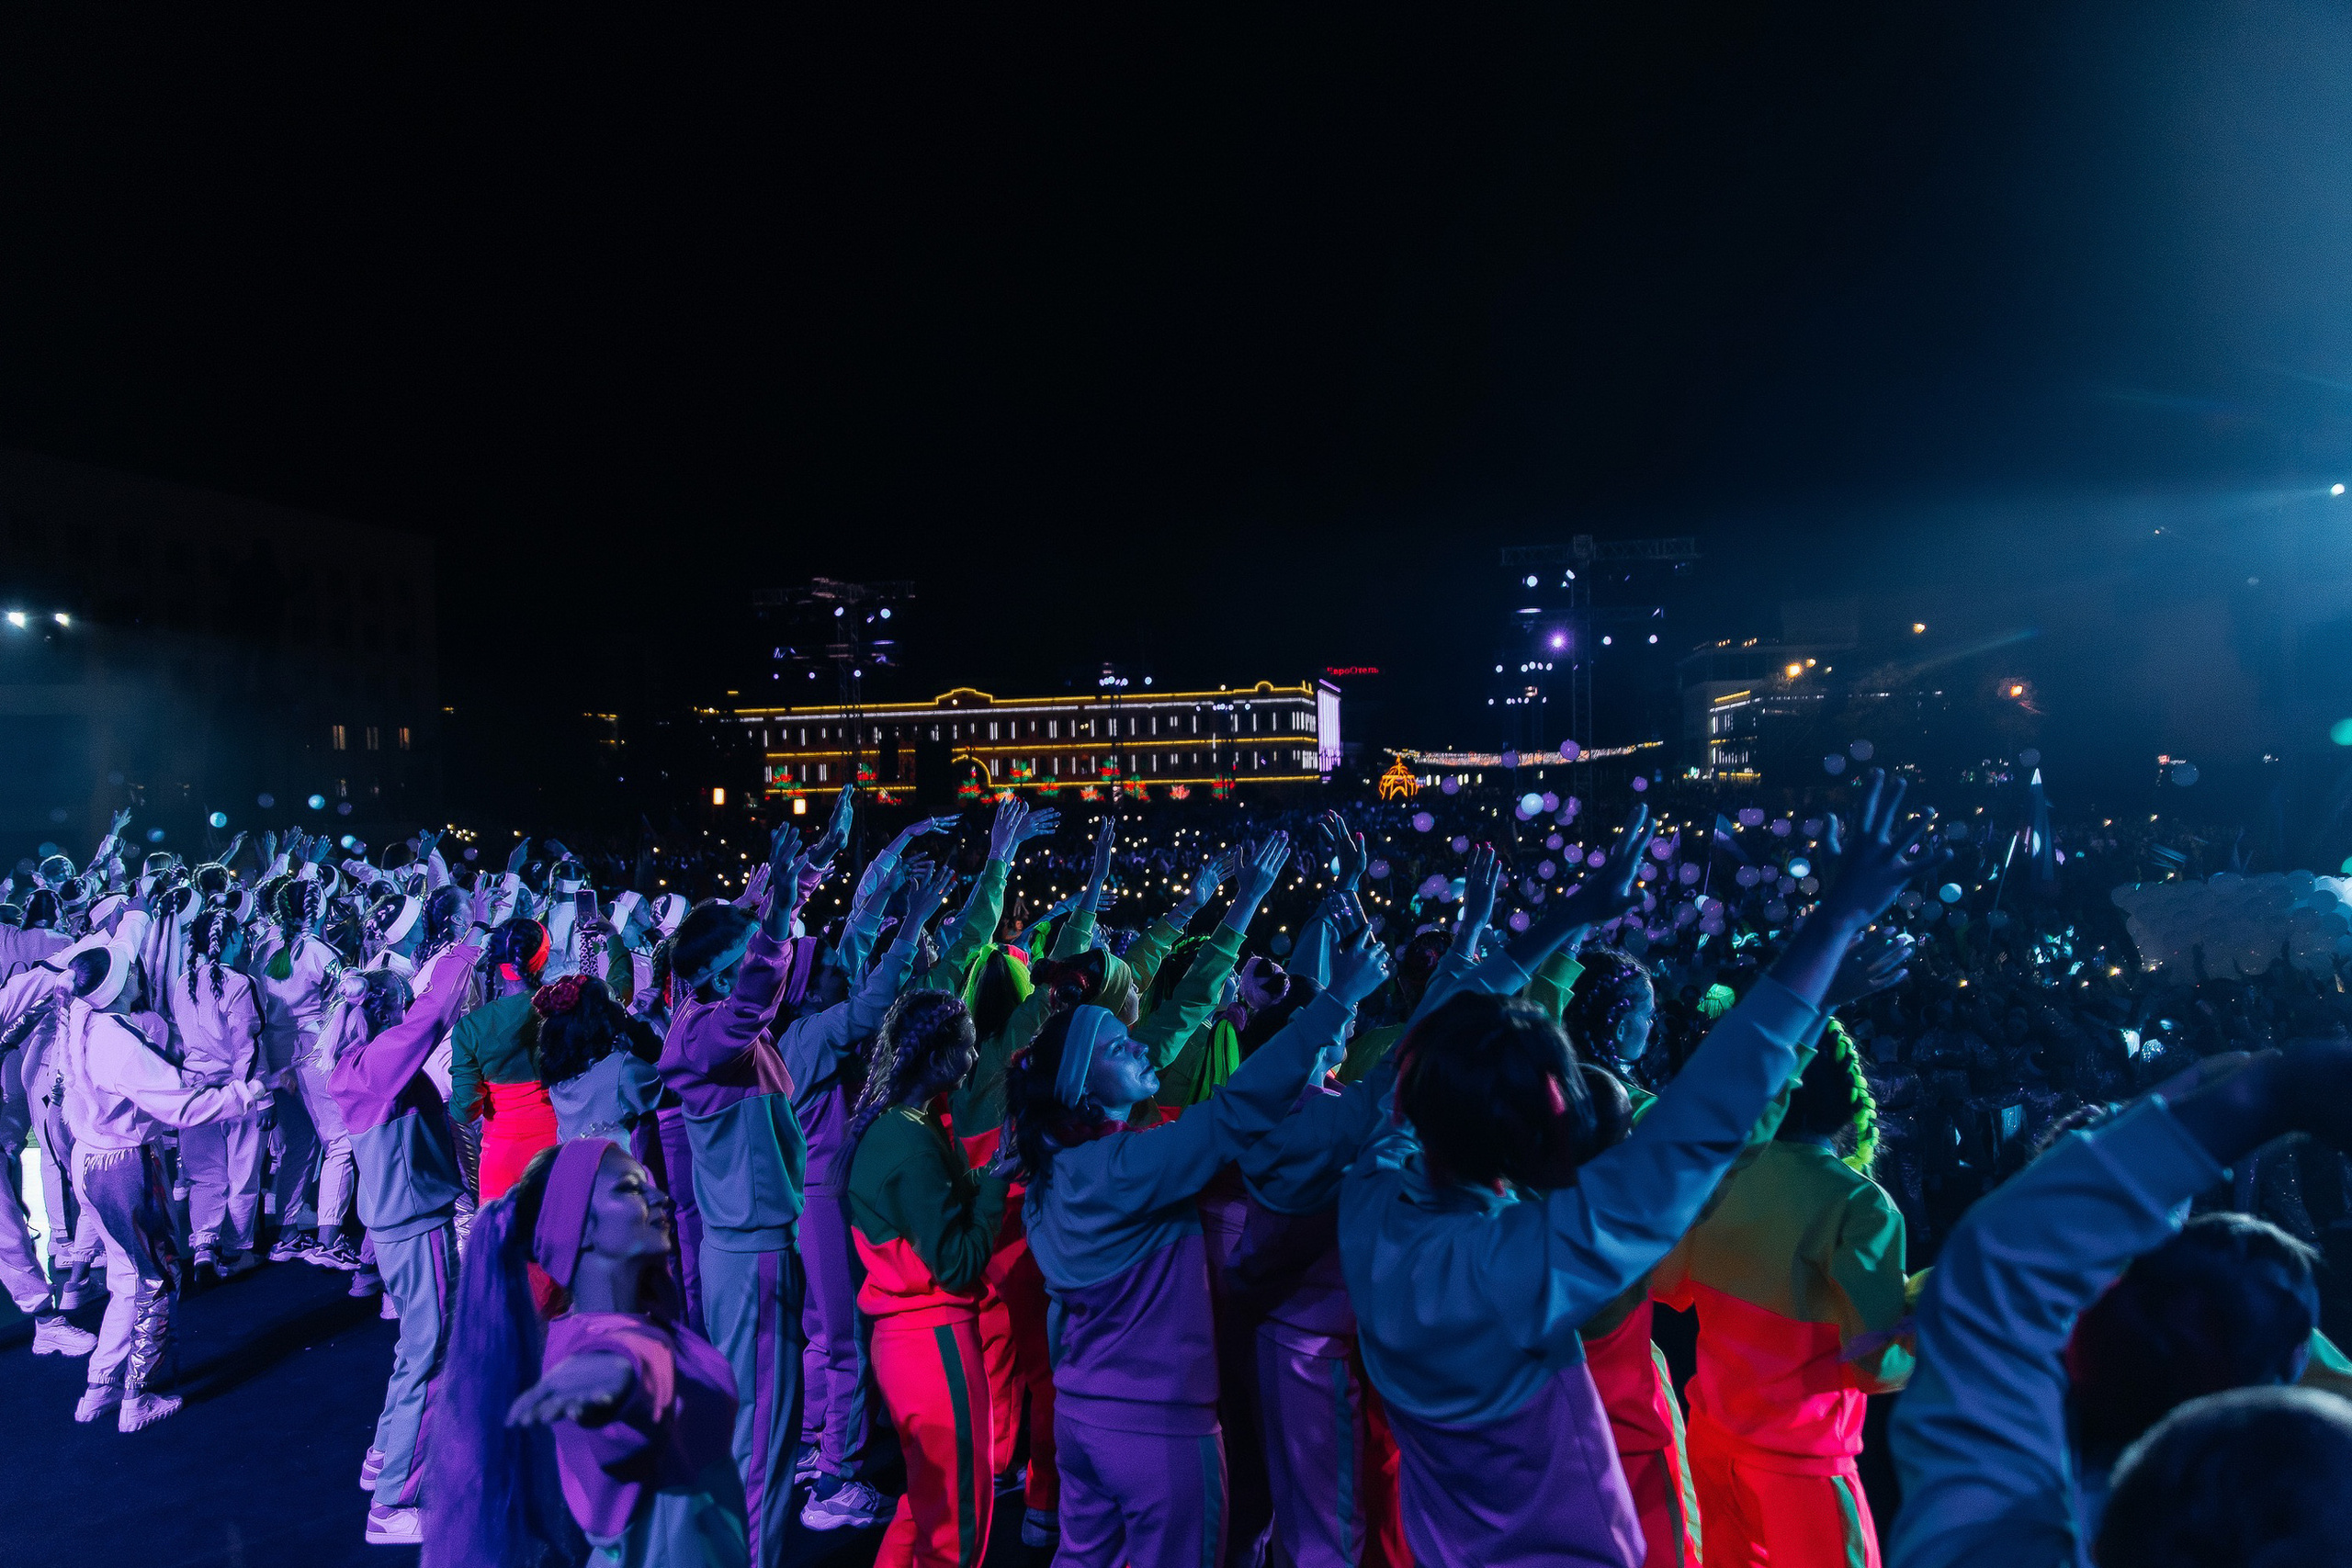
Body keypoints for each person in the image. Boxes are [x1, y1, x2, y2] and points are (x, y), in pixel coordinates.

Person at [1337, 776, 1932, 1567]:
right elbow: (1703, 1132)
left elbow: (1418, 1060)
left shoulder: (1368, 1197)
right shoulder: (1522, 1266)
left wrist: (1567, 919)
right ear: (1542, 1134)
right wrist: (1831, 933)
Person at [1001, 919, 1393, 1568]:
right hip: (1158, 1428)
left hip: (1080, 1417)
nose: (1140, 1049)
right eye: (1119, 1046)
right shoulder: (1123, 1168)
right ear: (1080, 1083)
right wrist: (1337, 1001)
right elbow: (1235, 1110)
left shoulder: (1056, 1171)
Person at [1888, 1041, 2352, 1567]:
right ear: (2290, 1363)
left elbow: (1997, 1278)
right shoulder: (2270, 1349)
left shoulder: (2002, 1535)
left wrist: (2267, 1093)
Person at [1651, 1011, 1915, 1568]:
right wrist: (1926, 1309)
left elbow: (1669, 1286)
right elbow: (1875, 1365)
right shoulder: (1859, 1205)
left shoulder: (1722, 1177)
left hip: (1714, 1442)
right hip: (1802, 1466)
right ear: (1847, 1096)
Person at [424, 1136, 747, 1568]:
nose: (661, 1197)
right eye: (631, 1188)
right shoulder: (594, 1349)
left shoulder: (629, 1325)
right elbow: (630, 1368)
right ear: (580, 1227)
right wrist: (615, 1378)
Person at [58, 915, 266, 1432]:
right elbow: (184, 1109)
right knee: (155, 1279)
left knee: (126, 1278)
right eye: (130, 972)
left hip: (89, 1160)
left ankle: (99, 1386)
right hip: (123, 1167)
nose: (138, 973)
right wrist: (250, 1093)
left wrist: (139, 912)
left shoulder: (81, 1013)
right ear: (119, 985)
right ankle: (138, 1397)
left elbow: (118, 943)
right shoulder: (118, 1043)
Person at [330, 919, 487, 1547]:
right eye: (400, 997)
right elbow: (428, 1017)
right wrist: (469, 943)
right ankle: (394, 1503)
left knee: (414, 1350)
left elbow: (421, 1018)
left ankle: (383, 1456)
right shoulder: (374, 1067)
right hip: (414, 1224)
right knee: (434, 1354)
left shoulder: (359, 1060)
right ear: (386, 1008)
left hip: (401, 1221)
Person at [842, 990, 1006, 1568]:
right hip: (933, 1341)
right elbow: (959, 1263)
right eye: (968, 1044)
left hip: (906, 1343)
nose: (977, 1052)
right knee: (958, 1527)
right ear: (939, 1059)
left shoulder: (900, 1124)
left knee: (926, 1506)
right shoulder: (909, 1141)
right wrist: (995, 1187)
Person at [168, 908, 268, 1280]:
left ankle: (203, 1246)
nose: (243, 940)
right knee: (242, 1172)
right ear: (227, 940)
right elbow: (248, 1047)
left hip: (194, 1090)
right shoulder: (239, 983)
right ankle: (236, 1250)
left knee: (204, 1174)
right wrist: (263, 1096)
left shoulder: (183, 982)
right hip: (235, 1090)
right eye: (239, 935)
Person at [454, 917, 560, 1201]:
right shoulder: (561, 1010)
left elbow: (464, 1110)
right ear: (542, 958)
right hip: (555, 1147)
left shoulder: (472, 1027)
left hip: (500, 1156)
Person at [537, 975, 666, 1144]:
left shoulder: (560, 1080)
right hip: (621, 1168)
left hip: (580, 1168)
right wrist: (660, 1018)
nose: (622, 1004)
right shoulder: (621, 1071)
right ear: (602, 1016)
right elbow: (678, 1084)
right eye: (615, 998)